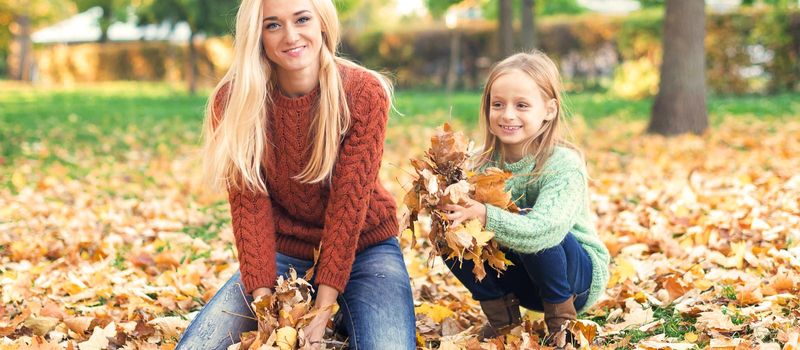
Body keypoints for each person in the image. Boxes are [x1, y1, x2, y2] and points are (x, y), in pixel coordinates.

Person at [174, 0, 415, 349]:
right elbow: (250, 210)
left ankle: (349, 309)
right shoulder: (234, 101)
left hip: (366, 248)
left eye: (302, 19)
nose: (290, 36)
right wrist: (266, 309)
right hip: (284, 254)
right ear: (257, 35)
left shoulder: (363, 93)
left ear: (322, 23)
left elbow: (348, 210)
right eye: (272, 25)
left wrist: (320, 313)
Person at [441, 51, 610, 346]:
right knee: (450, 228)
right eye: (498, 104)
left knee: (529, 218)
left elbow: (543, 231)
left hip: (574, 280)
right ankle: (504, 322)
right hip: (522, 280)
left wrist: (484, 214)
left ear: (549, 110)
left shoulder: (562, 164)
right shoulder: (478, 163)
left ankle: (562, 324)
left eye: (521, 105)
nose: (507, 114)